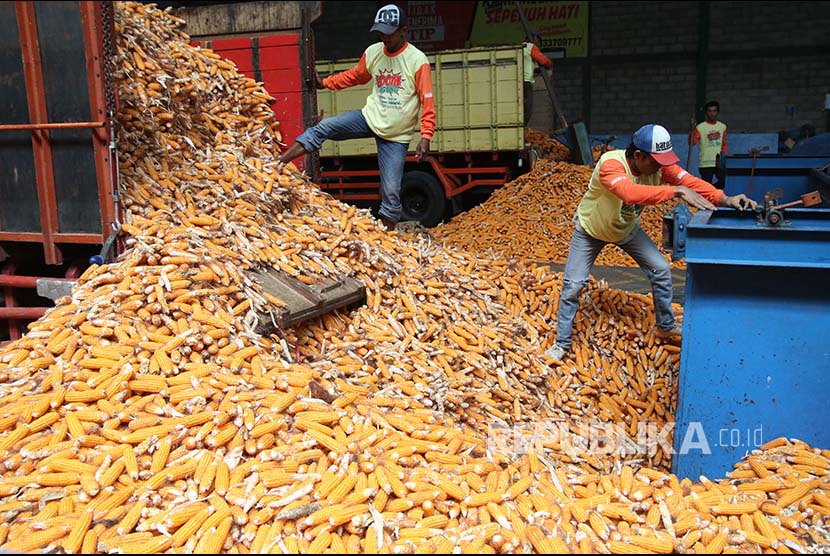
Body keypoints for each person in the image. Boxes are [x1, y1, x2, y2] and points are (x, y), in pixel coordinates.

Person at [545, 124, 757, 362]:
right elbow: (630, 193)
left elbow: (691, 182)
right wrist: (674, 191)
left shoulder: (659, 167)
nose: (661, 166)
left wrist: (725, 199)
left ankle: (665, 325)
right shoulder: (611, 164)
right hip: (591, 231)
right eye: (656, 161)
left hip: (626, 229)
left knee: (661, 269)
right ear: (638, 156)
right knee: (573, 285)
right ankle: (561, 343)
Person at [277, 4, 435, 231]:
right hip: (369, 117)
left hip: (396, 136)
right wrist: (327, 83)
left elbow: (427, 100)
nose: (384, 38)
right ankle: (278, 164)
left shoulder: (417, 61)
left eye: (389, 34)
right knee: (323, 128)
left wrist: (426, 135)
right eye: (381, 33)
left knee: (391, 191)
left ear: (404, 31)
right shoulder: (373, 52)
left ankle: (387, 239)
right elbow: (356, 76)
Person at [689, 100, 728, 189]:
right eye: (709, 111)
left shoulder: (722, 127)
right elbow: (692, 142)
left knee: (723, 182)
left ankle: (713, 192)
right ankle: (709, 196)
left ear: (717, 112)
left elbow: (724, 144)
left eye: (714, 111)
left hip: (719, 162)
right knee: (706, 187)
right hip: (705, 163)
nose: (712, 113)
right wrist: (692, 129)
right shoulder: (700, 127)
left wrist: (725, 156)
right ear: (706, 113)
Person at [522, 31, 552, 127]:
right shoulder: (531, 47)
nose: (537, 42)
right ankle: (522, 130)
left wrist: (536, 70)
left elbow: (530, 66)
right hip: (526, 81)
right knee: (528, 109)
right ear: (532, 38)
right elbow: (543, 60)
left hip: (518, 81)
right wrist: (550, 64)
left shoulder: (521, 48)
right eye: (537, 39)